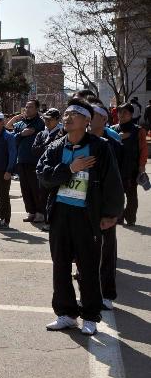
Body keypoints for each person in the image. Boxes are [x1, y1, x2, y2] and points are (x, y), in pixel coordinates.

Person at [37, 98, 124, 336]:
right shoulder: (56, 147)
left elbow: (113, 184)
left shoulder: (100, 147)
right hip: (60, 214)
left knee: (87, 266)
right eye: (66, 113)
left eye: (74, 113)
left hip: (87, 216)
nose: (67, 117)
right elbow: (43, 176)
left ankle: (90, 315)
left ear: (87, 120)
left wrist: (111, 214)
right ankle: (65, 313)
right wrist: (70, 169)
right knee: (60, 265)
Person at [89, 100, 123, 310]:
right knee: (84, 251)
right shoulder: (77, 140)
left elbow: (118, 181)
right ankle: (88, 292)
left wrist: (113, 212)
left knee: (107, 250)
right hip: (83, 204)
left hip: (104, 206)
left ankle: (107, 293)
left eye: (93, 114)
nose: (88, 118)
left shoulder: (113, 143)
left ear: (104, 118)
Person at [9, 100, 46, 223]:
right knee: (25, 188)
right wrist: (20, 134)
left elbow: (30, 132)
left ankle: (40, 212)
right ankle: (31, 212)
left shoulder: (39, 122)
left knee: (36, 188)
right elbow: (14, 138)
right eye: (26, 106)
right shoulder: (20, 123)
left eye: (30, 107)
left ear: (37, 109)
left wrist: (20, 135)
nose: (27, 109)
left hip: (34, 160)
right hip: (21, 159)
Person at [114, 103, 147, 226]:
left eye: (125, 113)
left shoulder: (139, 130)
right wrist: (117, 137)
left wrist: (142, 166)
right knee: (117, 194)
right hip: (116, 167)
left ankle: (130, 217)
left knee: (132, 195)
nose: (121, 115)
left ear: (131, 115)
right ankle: (119, 217)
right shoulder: (113, 129)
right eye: (120, 112)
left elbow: (143, 149)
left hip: (131, 168)